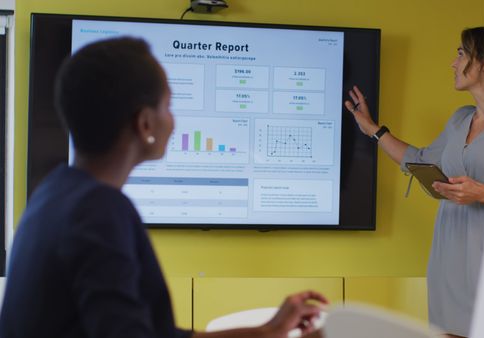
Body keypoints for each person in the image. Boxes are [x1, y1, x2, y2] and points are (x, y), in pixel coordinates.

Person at [0, 37, 326, 338]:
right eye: (168, 106)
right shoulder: (98, 210)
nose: (173, 120)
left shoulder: (55, 192)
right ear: (145, 124)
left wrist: (268, 331)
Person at [345, 27, 484, 338]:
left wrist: (480, 192)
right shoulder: (461, 118)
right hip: (448, 251)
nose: (453, 63)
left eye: (461, 53)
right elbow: (419, 159)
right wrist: (373, 130)